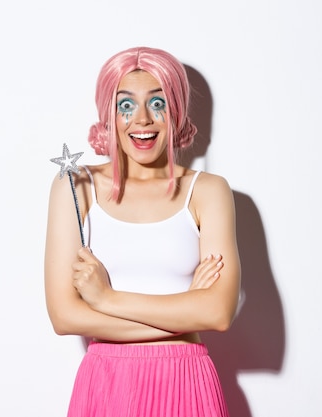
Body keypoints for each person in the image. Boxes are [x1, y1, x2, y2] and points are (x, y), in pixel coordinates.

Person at [44, 46, 241, 417]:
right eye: (125, 106)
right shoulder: (75, 186)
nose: (143, 121)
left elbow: (217, 313)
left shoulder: (208, 191)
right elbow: (65, 317)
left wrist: (104, 299)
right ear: (108, 115)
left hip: (186, 382)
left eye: (158, 103)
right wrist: (183, 317)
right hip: (107, 383)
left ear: (177, 110)